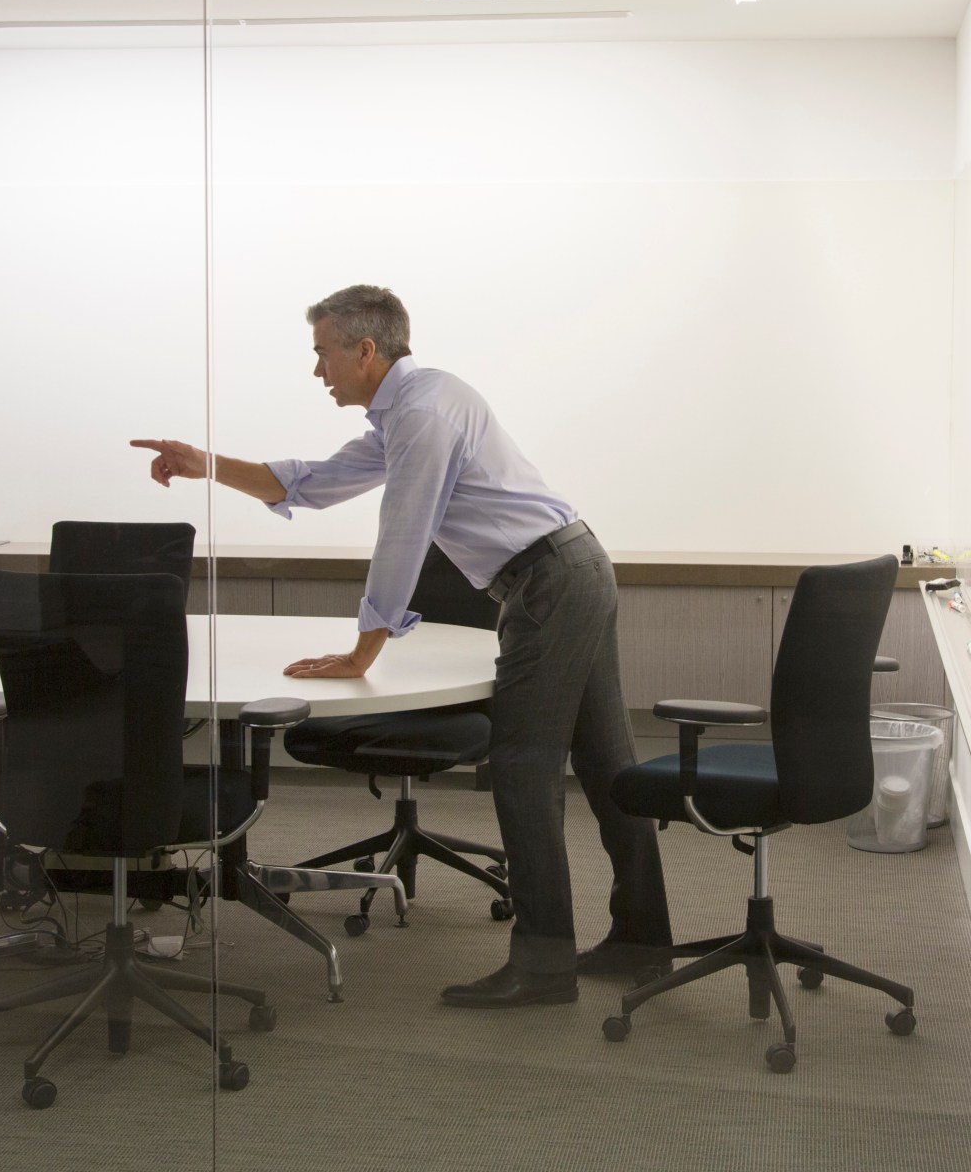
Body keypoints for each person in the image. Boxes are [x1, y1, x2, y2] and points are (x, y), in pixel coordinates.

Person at [132, 285, 671, 1008]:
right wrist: (207, 463)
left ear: (364, 349)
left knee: (523, 766)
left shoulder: (420, 413)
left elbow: (403, 533)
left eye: (323, 353)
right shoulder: (409, 410)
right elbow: (314, 484)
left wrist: (364, 650)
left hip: (552, 582)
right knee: (607, 766)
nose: (317, 370)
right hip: (569, 571)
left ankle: (546, 965)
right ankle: (643, 940)